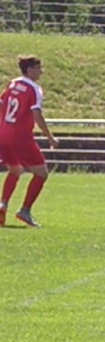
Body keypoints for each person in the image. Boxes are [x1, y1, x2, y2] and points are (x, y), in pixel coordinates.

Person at [0, 55, 59, 227]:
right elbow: (37, 114)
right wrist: (49, 137)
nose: (41, 72)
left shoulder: (12, 84)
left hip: (3, 134)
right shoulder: (34, 89)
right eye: (38, 68)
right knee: (41, 173)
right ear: (30, 70)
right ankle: (25, 211)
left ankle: (3, 204)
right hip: (20, 137)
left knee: (15, 170)